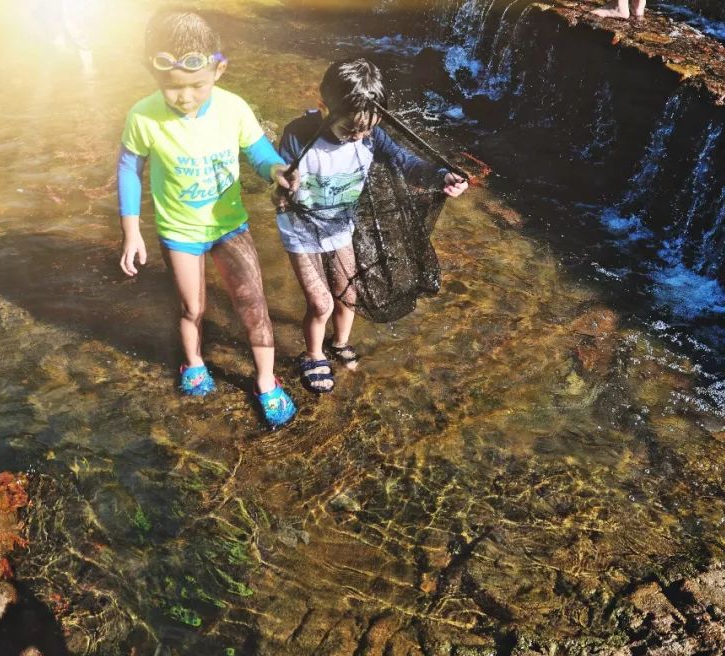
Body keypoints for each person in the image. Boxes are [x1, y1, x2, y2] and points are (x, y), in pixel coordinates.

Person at [117, 10, 298, 428]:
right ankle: (194, 362)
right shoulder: (143, 116)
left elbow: (258, 152)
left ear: (219, 69)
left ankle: (266, 381)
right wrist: (131, 232)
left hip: (229, 226)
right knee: (191, 305)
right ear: (154, 75)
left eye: (196, 85)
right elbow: (129, 170)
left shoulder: (233, 108)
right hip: (179, 231)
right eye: (172, 88)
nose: (185, 97)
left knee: (253, 304)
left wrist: (276, 170)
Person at [275, 58, 468, 393]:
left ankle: (340, 343)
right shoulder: (299, 135)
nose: (358, 136)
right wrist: (284, 183)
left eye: (367, 128)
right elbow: (278, 177)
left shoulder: (371, 136)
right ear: (324, 107)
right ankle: (313, 354)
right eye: (350, 129)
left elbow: (406, 163)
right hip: (302, 229)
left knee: (348, 294)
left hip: (339, 226)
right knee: (321, 302)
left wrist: (442, 176)